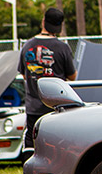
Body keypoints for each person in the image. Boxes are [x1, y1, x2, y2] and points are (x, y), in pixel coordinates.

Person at [19, 8, 76, 148]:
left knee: (32, 141)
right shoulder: (62, 48)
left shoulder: (27, 46)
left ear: (43, 21)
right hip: (56, 106)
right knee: (57, 143)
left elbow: (24, 75)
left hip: (33, 107)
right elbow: (72, 76)